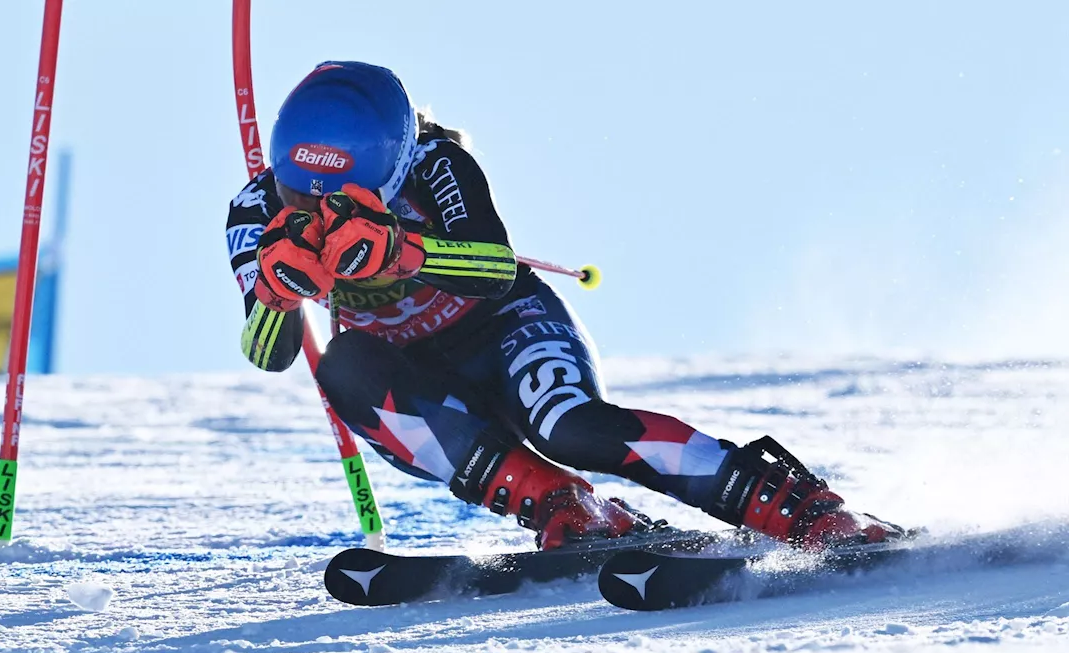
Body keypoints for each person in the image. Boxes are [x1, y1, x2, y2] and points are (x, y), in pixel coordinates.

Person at [225, 60, 905, 550]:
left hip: (505, 327)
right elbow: (270, 353)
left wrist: (406, 252)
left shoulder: (435, 164)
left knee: (568, 424)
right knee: (343, 365)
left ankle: (796, 508)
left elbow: (492, 268)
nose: (315, 212)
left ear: (392, 170)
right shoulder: (256, 213)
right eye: (298, 191)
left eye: (342, 198)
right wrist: (276, 293)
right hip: (417, 378)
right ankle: (565, 504)